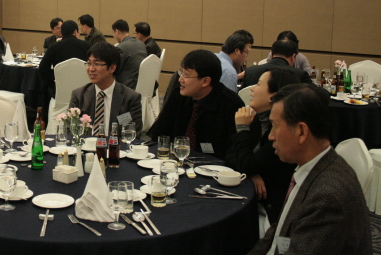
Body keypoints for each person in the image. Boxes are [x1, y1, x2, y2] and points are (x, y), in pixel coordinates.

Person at [248, 84, 372, 255]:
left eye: (275, 126)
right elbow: (280, 230)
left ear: (301, 131)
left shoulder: (327, 197)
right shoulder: (313, 167)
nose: (271, 136)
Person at [226, 68, 300, 222]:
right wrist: (251, 173)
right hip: (248, 197)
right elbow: (231, 156)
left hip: (270, 212)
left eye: (258, 84)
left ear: (274, 97)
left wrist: (242, 129)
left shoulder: (282, 132)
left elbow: (247, 164)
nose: (252, 89)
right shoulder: (256, 120)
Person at [148, 50, 244, 159]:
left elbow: (233, 152)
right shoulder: (179, 94)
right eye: (181, 73)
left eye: (186, 75)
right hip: (176, 160)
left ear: (205, 81)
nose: (180, 79)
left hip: (214, 164)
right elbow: (160, 133)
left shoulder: (231, 105)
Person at [70, 42, 142, 135]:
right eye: (89, 63)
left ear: (112, 68)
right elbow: (70, 131)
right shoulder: (79, 95)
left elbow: (133, 133)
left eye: (97, 64)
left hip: (116, 144)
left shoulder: (130, 98)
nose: (91, 69)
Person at [39, 20, 91, 120]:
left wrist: (55, 80)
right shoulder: (87, 46)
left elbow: (42, 70)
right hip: (83, 92)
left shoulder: (54, 47)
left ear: (62, 33)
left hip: (60, 93)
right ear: (75, 32)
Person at [241, 40, 312, 89]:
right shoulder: (300, 75)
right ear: (293, 57)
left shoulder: (250, 71)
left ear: (271, 55)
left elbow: (242, 95)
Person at [112, 19, 147, 90]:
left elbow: (114, 70)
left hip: (126, 87)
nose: (113, 36)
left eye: (113, 32)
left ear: (117, 32)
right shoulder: (141, 44)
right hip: (142, 85)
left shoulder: (121, 47)